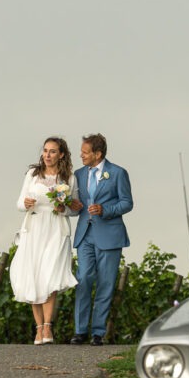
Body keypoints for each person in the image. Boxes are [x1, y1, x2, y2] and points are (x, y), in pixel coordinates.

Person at [9, 137, 79, 345]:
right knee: (34, 276)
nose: (47, 155)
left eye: (53, 152)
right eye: (45, 151)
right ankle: (39, 328)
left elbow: (74, 209)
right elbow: (19, 203)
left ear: (62, 155)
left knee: (51, 275)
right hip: (34, 229)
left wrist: (63, 208)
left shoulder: (69, 178)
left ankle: (48, 325)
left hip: (56, 229)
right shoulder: (32, 175)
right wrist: (26, 203)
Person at [68, 134, 133, 345]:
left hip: (110, 236)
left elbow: (127, 203)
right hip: (85, 234)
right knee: (83, 279)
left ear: (98, 154)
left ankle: (97, 332)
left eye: (85, 152)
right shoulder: (77, 174)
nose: (81, 155)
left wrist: (105, 210)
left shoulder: (118, 173)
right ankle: (80, 331)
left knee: (105, 284)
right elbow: (76, 204)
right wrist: (73, 206)